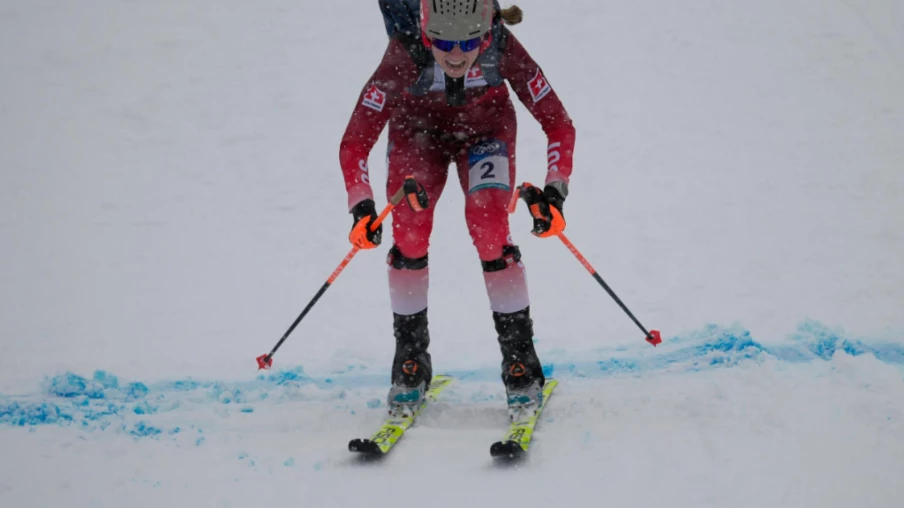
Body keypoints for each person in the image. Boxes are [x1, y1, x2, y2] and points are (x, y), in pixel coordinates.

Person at [339, 0, 575, 418]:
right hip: (416, 132)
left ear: (485, 34)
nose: (454, 54)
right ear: (425, 32)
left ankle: (520, 361)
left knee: (489, 223)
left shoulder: (502, 46)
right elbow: (355, 141)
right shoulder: (405, 51)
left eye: (468, 43)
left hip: (486, 132)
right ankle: (411, 359)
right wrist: (361, 206)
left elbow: (558, 123)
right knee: (409, 227)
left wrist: (555, 193)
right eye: (443, 42)